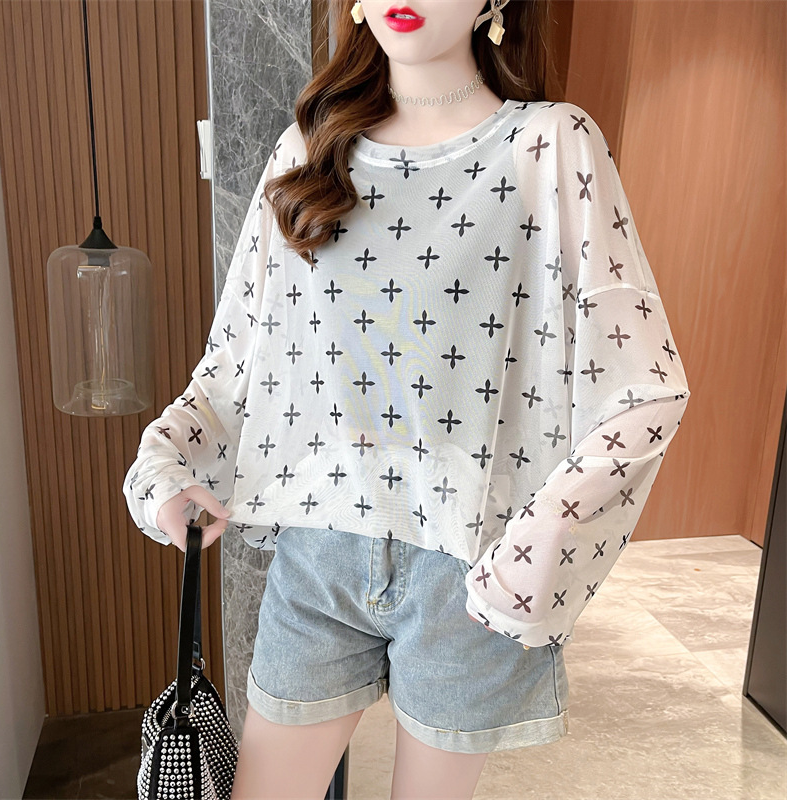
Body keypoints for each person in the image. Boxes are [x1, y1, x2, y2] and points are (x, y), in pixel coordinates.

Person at [123, 0, 691, 797]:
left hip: (467, 560)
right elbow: (238, 360)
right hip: (317, 553)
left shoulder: (550, 144)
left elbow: (646, 387)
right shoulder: (308, 150)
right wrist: (164, 466)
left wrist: (540, 547)